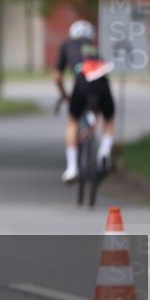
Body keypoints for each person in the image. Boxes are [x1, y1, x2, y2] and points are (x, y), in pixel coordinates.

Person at [55, 19, 115, 183]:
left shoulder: (67, 45)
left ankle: (72, 168)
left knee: (73, 121)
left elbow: (57, 77)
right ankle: (104, 151)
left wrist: (64, 94)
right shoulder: (95, 48)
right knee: (109, 119)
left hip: (81, 84)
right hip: (102, 82)